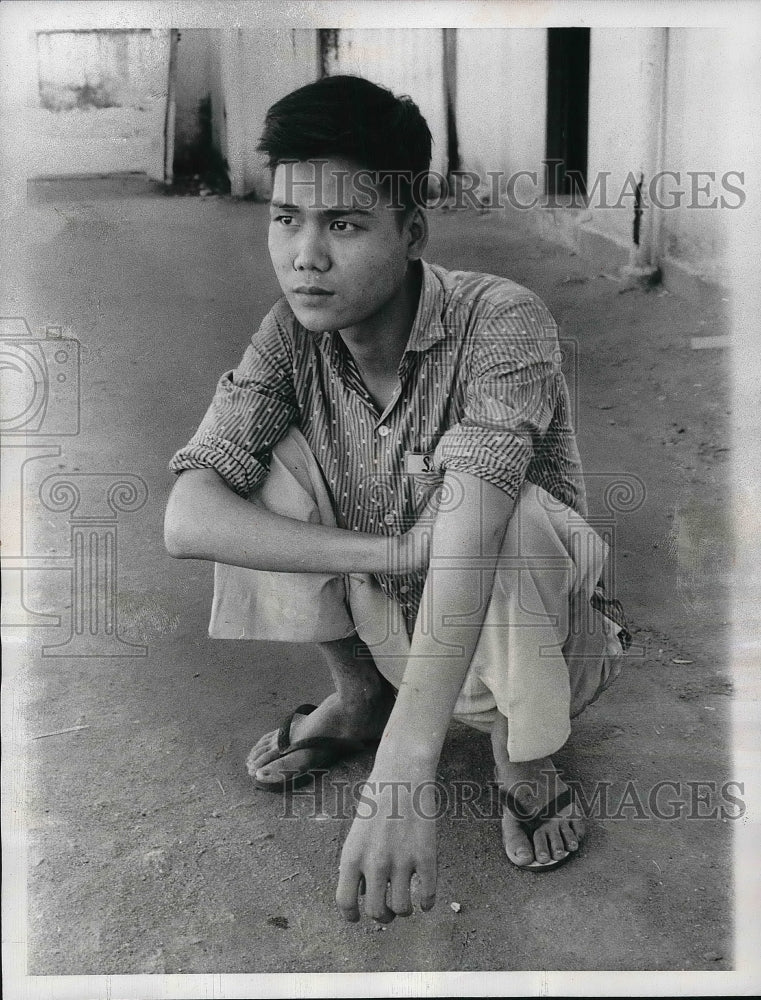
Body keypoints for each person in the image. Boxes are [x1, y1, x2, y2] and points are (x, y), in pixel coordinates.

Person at [164, 74, 629, 923]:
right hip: (399, 617)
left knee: (499, 508)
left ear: (411, 231)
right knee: (258, 474)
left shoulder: (501, 318)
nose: (306, 255)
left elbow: (475, 528)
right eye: (286, 220)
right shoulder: (290, 335)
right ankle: (362, 694)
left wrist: (404, 773)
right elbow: (188, 518)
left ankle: (522, 754)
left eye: (343, 224)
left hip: (540, 631)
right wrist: (389, 553)